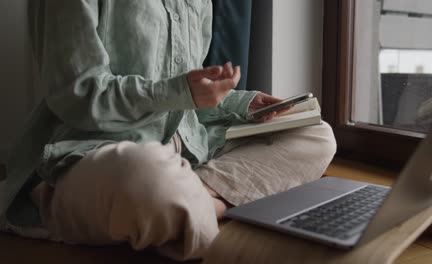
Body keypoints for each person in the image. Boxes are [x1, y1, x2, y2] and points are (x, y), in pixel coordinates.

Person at [0, 0, 336, 261]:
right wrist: (182, 93)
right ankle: (209, 202)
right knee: (148, 178)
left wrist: (241, 103)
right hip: (95, 154)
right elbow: (77, 95)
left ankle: (196, 204)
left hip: (188, 151)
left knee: (316, 135)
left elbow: (187, 94)